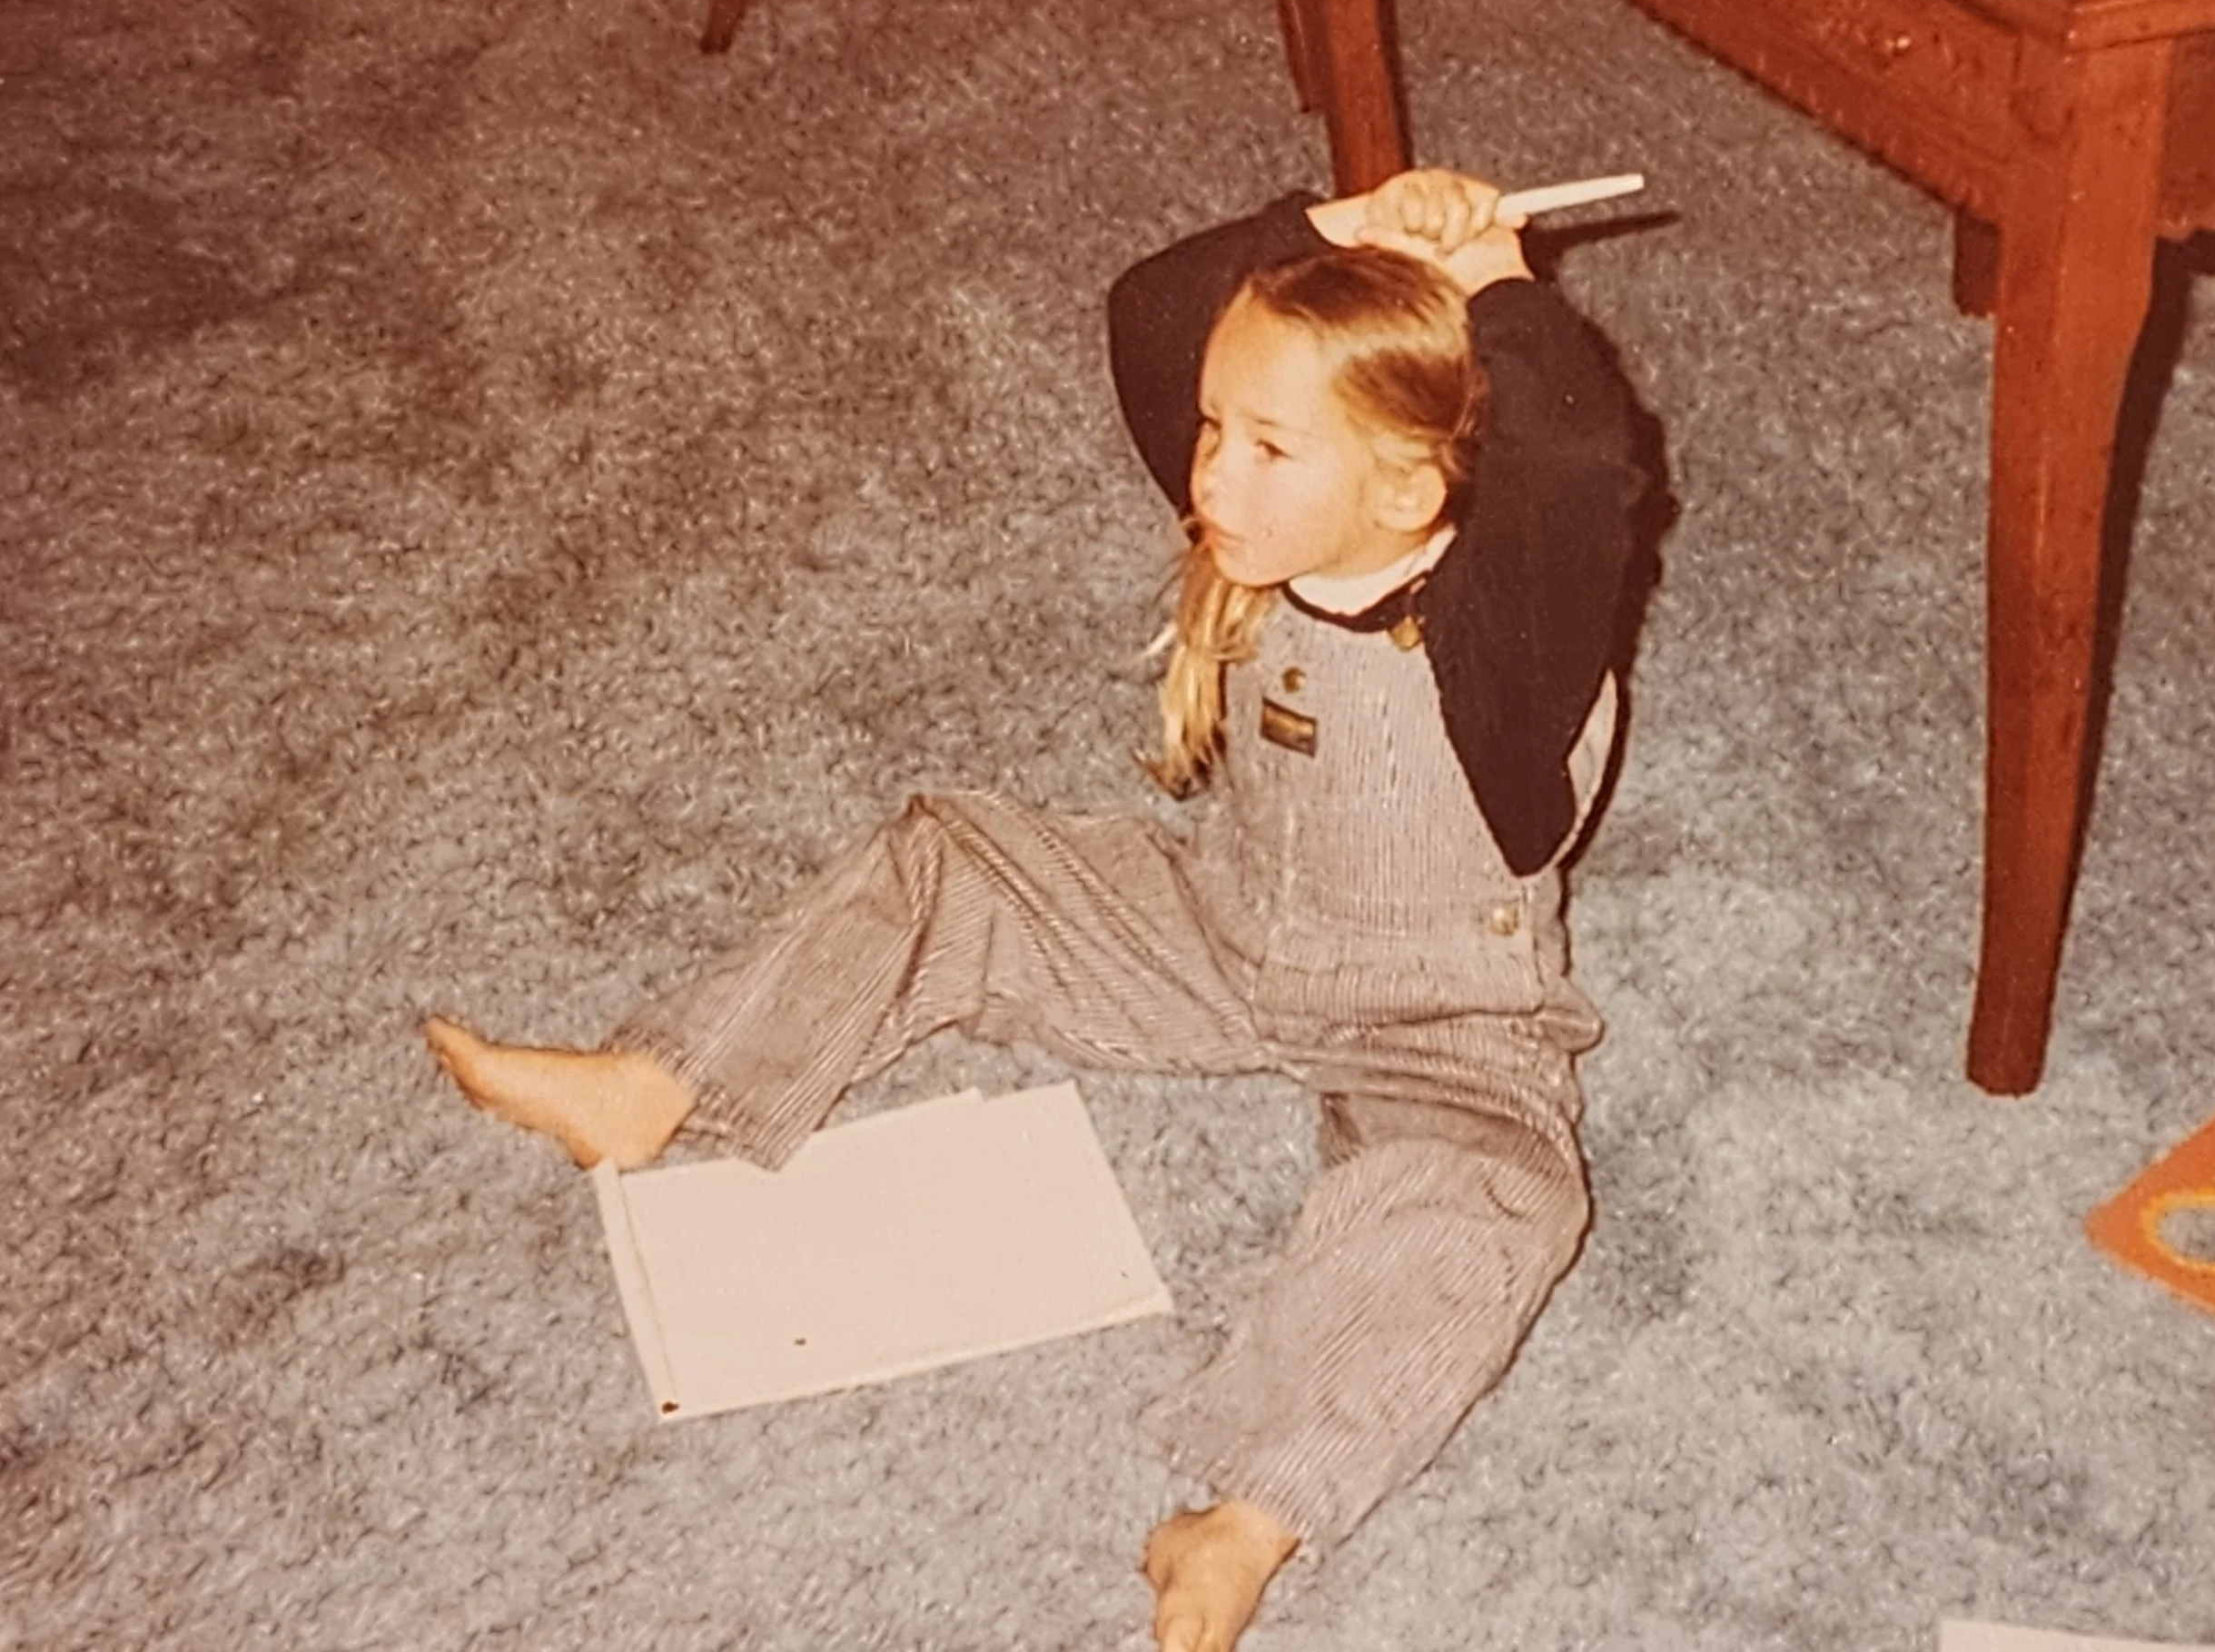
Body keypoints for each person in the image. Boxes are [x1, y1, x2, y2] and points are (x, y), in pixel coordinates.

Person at [425, 167, 1651, 1652]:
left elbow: (1579, 458)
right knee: (955, 857)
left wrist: (1501, 279)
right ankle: (659, 1082)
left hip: (1434, 1022)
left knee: (1489, 1206)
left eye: (1266, 448)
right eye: (1215, 432)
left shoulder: (1505, 629)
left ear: (1406, 486)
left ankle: (1251, 1510)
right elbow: (1151, 312)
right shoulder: (1263, 537)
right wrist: (1347, 233)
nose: (1211, 480)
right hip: (1221, 924)